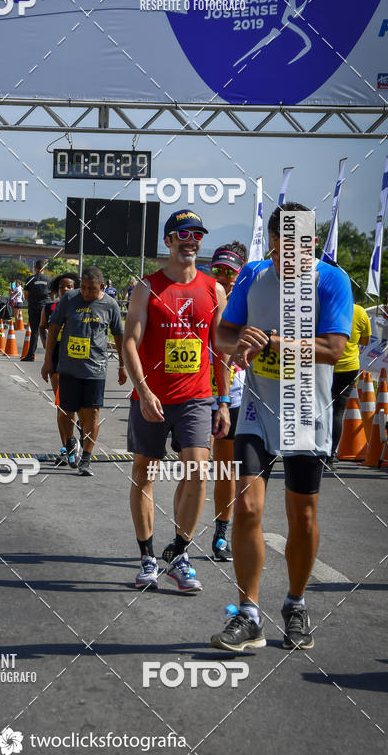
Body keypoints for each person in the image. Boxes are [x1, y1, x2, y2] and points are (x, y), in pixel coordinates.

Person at [210, 202, 352, 653]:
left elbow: (332, 348)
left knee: (302, 514)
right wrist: (238, 344)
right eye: (283, 246)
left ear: (312, 243)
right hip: (256, 406)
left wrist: (271, 340)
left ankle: (295, 603)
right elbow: (223, 335)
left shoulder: (331, 280)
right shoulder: (253, 276)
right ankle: (248, 614)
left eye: (302, 245)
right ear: (271, 243)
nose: (292, 254)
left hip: (305, 411)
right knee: (248, 508)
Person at [122, 209, 230, 593]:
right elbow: (130, 342)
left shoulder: (213, 289)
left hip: (197, 397)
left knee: (198, 472)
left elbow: (220, 350)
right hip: (152, 397)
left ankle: (180, 553)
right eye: (183, 234)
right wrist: (145, 390)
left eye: (197, 234)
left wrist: (223, 401)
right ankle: (148, 557)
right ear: (168, 241)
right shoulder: (146, 287)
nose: (191, 240)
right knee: (143, 473)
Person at [41, 266, 126, 476]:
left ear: (102, 287)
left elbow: (118, 335)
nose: (87, 293)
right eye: (84, 288)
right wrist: (47, 360)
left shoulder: (110, 305)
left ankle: (86, 458)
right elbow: (53, 328)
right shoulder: (69, 299)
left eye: (92, 289)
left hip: (95, 370)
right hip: (68, 369)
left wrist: (123, 365)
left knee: (92, 413)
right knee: (65, 410)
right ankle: (70, 441)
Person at [208, 242, 248, 562]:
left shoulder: (249, 304)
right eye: (217, 270)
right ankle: (181, 536)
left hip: (232, 397)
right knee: (192, 466)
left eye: (229, 272)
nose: (222, 277)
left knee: (225, 469)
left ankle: (221, 533)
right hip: (194, 394)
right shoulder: (199, 296)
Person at [39, 271, 81, 465]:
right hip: (57, 359)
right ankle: (66, 447)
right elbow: (41, 327)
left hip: (79, 360)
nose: (65, 289)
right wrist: (47, 347)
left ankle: (77, 435)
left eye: (69, 286)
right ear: (57, 289)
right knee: (62, 405)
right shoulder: (49, 307)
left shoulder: (82, 307)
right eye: (62, 286)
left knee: (80, 407)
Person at [330, 296, 371, 462]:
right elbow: (366, 340)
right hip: (348, 367)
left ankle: (312, 451)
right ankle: (330, 455)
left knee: (318, 409)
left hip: (325, 366)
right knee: (338, 411)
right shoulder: (360, 311)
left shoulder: (327, 308)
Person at [23, 260, 51, 362]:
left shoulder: (31, 279)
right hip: (46, 307)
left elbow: (26, 295)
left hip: (34, 307)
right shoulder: (49, 279)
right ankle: (51, 355)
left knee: (34, 331)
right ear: (44, 268)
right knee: (49, 330)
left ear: (35, 268)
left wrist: (31, 300)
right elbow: (53, 295)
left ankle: (30, 355)